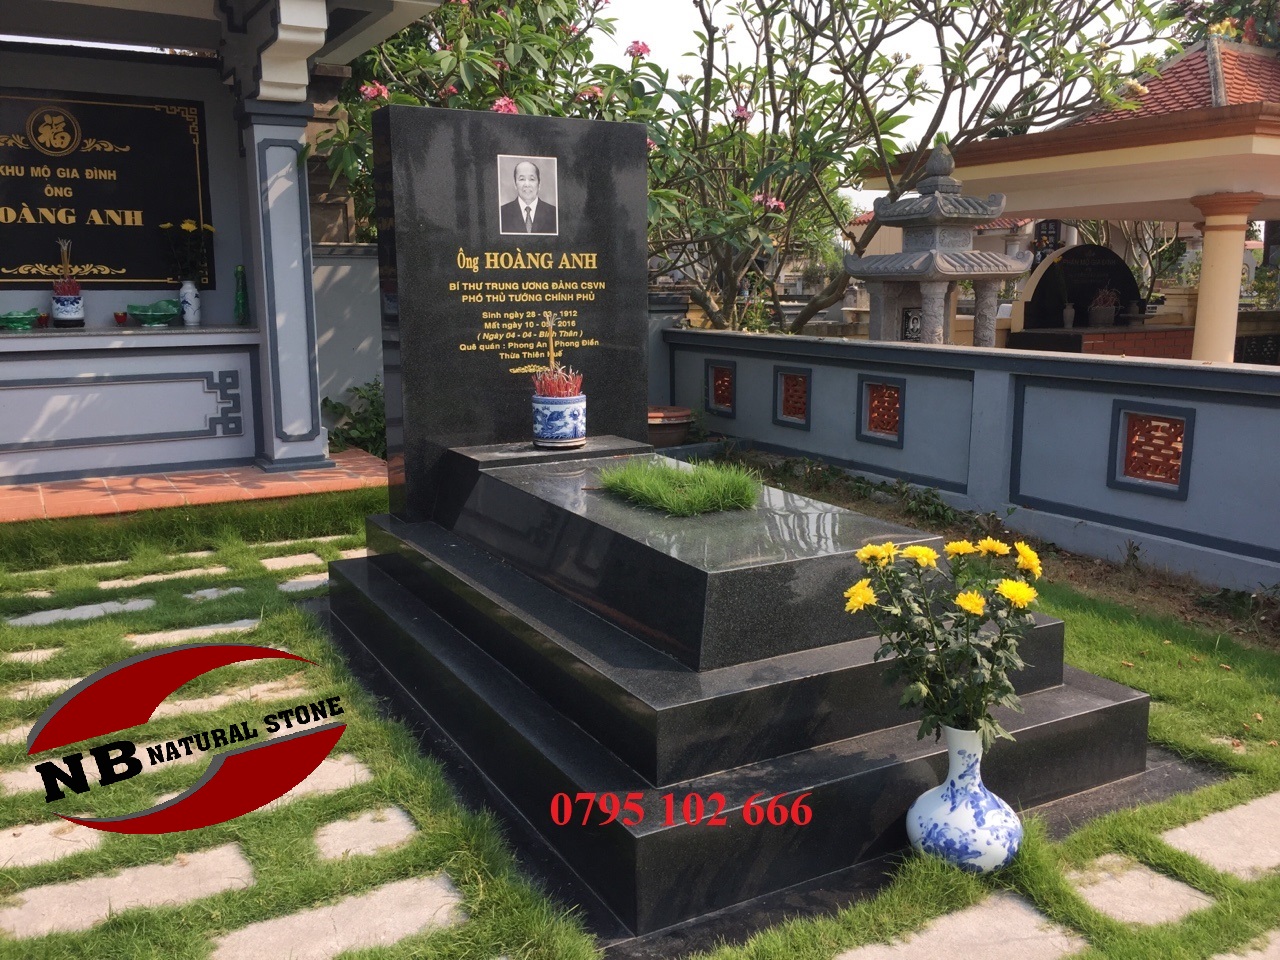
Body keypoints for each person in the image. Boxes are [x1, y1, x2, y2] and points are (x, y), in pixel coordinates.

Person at [499, 160, 557, 235]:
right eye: (522, 179)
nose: (527, 184)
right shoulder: (502, 213)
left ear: (539, 184)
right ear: (515, 184)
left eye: (532, 179)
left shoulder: (554, 213)